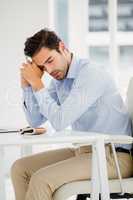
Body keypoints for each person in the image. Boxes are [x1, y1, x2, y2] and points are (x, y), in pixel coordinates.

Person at [11, 28, 133, 200]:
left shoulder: (91, 74)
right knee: (20, 169)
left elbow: (60, 121)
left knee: (41, 180)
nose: (49, 70)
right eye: (42, 67)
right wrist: (27, 86)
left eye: (50, 61)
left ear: (62, 47)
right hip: (86, 152)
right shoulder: (60, 80)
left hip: (114, 157)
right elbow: (35, 120)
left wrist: (37, 83)